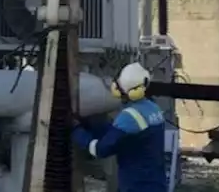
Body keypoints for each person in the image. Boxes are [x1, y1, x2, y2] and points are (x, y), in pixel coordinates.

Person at [71, 62, 168, 192]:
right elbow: (123, 136)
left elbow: (100, 149)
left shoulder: (129, 116)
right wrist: (93, 124)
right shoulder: (153, 109)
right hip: (156, 185)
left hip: (135, 186)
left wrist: (76, 130)